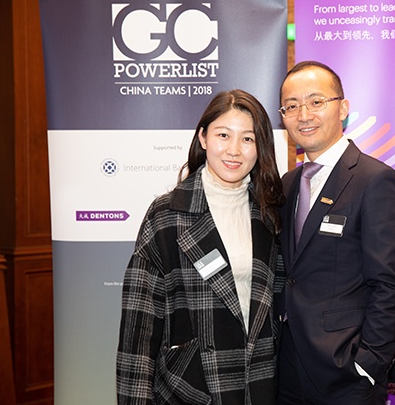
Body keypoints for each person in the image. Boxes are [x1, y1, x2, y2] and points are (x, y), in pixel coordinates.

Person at [116, 89, 285, 405]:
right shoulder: (166, 214)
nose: (234, 150)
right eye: (223, 135)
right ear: (203, 138)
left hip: (259, 385)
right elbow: (139, 326)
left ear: (260, 147)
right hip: (190, 389)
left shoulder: (269, 213)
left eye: (248, 139)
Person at [275, 60, 395, 405]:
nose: (304, 115)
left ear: (343, 108)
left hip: (345, 374)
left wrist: (368, 364)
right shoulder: (286, 185)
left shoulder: (375, 180)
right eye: (292, 106)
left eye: (316, 101)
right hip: (285, 369)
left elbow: (389, 285)